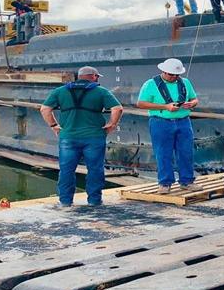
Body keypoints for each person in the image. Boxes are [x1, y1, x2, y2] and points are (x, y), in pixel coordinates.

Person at [40, 66, 124, 208]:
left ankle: (65, 202)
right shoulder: (101, 91)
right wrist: (112, 124)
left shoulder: (60, 91)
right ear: (93, 76)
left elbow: (45, 109)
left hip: (68, 137)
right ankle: (94, 201)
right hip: (94, 137)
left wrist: (53, 125)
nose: (97, 79)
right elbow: (118, 108)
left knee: (66, 170)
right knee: (95, 169)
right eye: (97, 76)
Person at [136, 58, 202, 194]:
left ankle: (187, 181)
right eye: (171, 74)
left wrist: (192, 103)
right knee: (163, 153)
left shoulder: (185, 83)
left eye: (177, 75)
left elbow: (194, 98)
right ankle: (165, 183)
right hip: (160, 122)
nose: (174, 77)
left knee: (186, 152)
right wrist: (165, 107)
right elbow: (141, 103)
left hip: (183, 121)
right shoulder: (150, 84)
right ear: (164, 72)